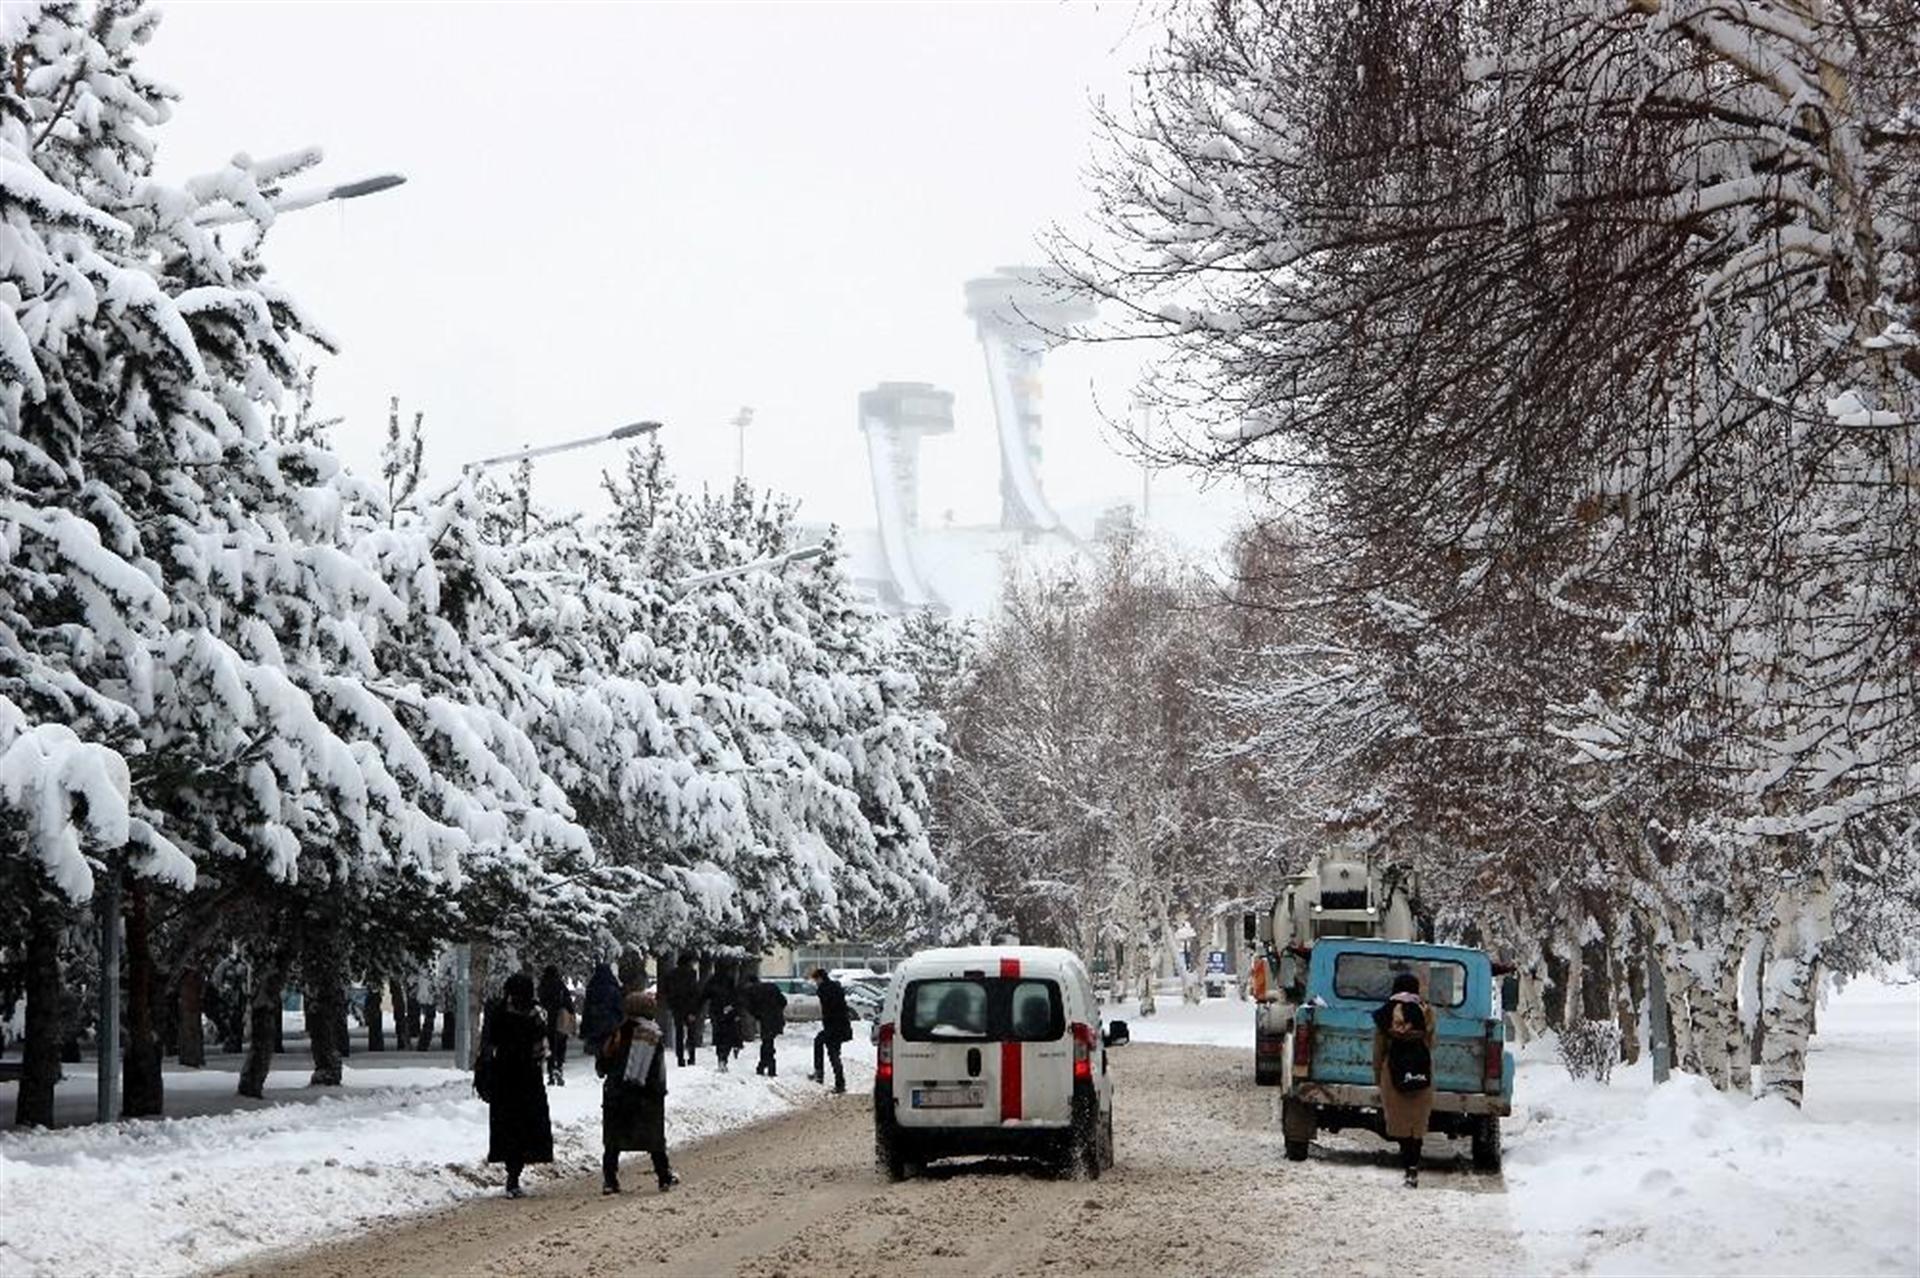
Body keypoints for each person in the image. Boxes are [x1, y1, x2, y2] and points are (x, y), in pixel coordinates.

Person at [475, 971, 554, 1199]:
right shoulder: (537, 1014)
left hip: (504, 1077)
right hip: (527, 1078)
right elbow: (543, 1048)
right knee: (525, 1126)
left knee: (508, 1127)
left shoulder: (498, 1011)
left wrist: (485, 1070)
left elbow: (487, 1043)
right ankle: (514, 1175)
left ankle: (512, 1174)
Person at [596, 990, 679, 1194]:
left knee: (613, 1139)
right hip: (646, 1095)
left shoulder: (617, 1032)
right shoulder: (653, 1034)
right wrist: (659, 1090)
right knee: (654, 1138)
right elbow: (657, 1068)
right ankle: (663, 1177)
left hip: (617, 1092)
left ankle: (610, 1180)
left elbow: (603, 1064)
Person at [1372, 970, 1436, 1187]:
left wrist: (1377, 1076)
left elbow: (1378, 1049)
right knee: (1417, 1124)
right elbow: (1431, 1042)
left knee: (1399, 1120)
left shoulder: (1385, 1014)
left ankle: (1406, 1162)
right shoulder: (1425, 1012)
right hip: (1421, 1070)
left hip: (1393, 1071)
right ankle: (1413, 1167)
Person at [808, 968, 852, 1093]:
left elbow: (828, 1008)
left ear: (820, 978)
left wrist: (828, 1022)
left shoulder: (823, 989)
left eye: (816, 980)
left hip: (833, 1026)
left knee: (823, 1045)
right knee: (833, 1053)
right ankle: (838, 1082)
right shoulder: (835, 987)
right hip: (842, 1025)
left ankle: (821, 1074)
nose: (816, 983)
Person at [537, 965, 575, 1086]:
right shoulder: (560, 985)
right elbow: (568, 1002)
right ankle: (558, 1066)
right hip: (560, 1018)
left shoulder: (543, 985)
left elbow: (540, 1001)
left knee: (549, 1045)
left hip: (547, 1019)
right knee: (560, 1043)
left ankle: (550, 1069)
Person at [663, 954, 703, 1067]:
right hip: (689, 1008)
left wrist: (671, 1005)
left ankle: (680, 1058)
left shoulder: (671, 974)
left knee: (679, 1033)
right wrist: (694, 1010)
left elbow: (666, 991)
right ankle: (691, 1057)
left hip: (677, 1008)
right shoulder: (691, 974)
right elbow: (694, 993)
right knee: (691, 1033)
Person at [745, 973, 787, 1077]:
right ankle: (764, 1066)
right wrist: (777, 1011)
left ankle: (767, 1067)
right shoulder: (771, 987)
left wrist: (758, 1015)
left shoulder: (751, 991)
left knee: (767, 1043)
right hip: (777, 1019)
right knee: (768, 1042)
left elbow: (751, 1008)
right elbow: (783, 1001)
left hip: (766, 1020)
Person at [705, 965, 744, 1071]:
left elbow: (705, 995)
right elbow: (735, 997)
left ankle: (720, 1058)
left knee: (719, 1036)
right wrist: (734, 1009)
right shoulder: (729, 981)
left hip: (716, 1013)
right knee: (727, 1037)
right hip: (728, 1012)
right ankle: (724, 1058)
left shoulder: (712, 981)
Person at [580, 961, 621, 1059]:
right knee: (610, 1046)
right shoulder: (613, 987)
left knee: (599, 1047)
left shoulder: (592, 987)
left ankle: (601, 1065)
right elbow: (618, 1006)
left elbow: (587, 1008)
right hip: (611, 1023)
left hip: (595, 1023)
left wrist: (584, 1029)